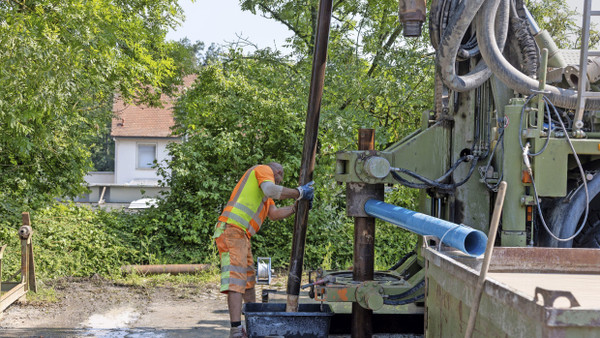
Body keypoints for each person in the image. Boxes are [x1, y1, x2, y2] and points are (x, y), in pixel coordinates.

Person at [213, 162, 314, 338]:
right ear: (278, 172)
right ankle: (236, 330)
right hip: (232, 230)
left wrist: (295, 207)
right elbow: (272, 189)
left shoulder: (265, 194)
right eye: (281, 176)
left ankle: (252, 325)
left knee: (249, 283)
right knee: (236, 281)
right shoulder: (263, 170)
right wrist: (299, 193)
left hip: (241, 235)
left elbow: (274, 214)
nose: (281, 179)